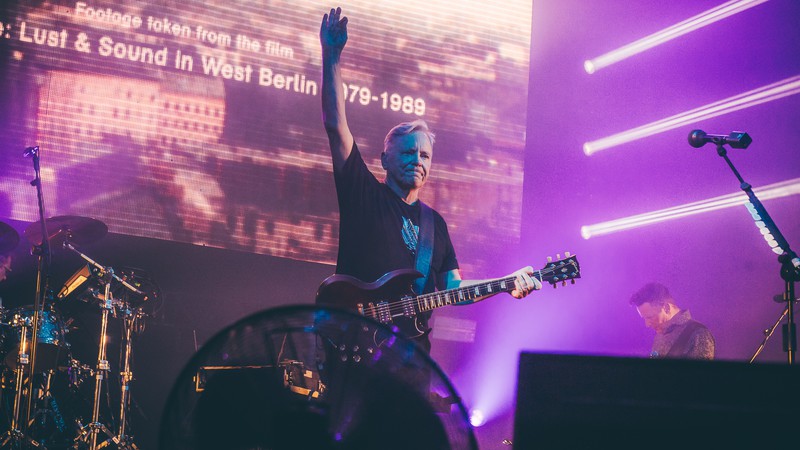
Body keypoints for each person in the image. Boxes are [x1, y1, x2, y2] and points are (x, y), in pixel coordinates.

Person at [318, 7, 540, 353]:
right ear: (385, 159)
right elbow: (336, 125)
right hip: (354, 347)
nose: (417, 161)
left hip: (410, 355)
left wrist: (506, 284)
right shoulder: (363, 194)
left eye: (424, 156)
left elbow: (454, 288)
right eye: (408, 153)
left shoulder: (434, 224)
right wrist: (331, 56)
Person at [629, 282, 715, 360]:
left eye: (650, 317)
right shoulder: (659, 336)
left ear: (666, 308)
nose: (647, 324)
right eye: (644, 318)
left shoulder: (698, 334)